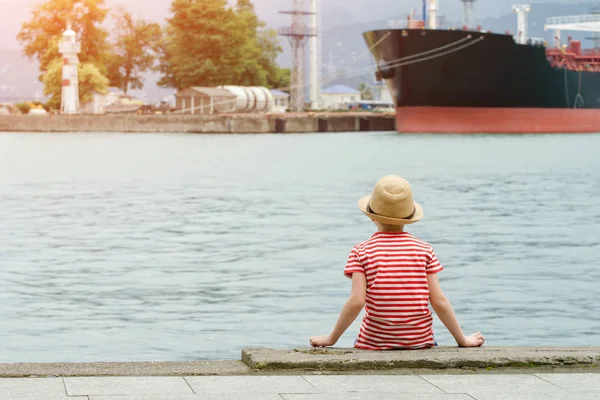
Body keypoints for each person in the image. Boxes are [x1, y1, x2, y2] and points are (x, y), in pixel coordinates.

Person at [309, 175, 484, 350]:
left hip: (374, 342)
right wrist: (462, 339)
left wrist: (331, 338)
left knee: (364, 339)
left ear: (371, 216)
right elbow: (439, 301)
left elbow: (356, 301)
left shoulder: (361, 251)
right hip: (419, 342)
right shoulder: (424, 250)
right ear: (409, 217)